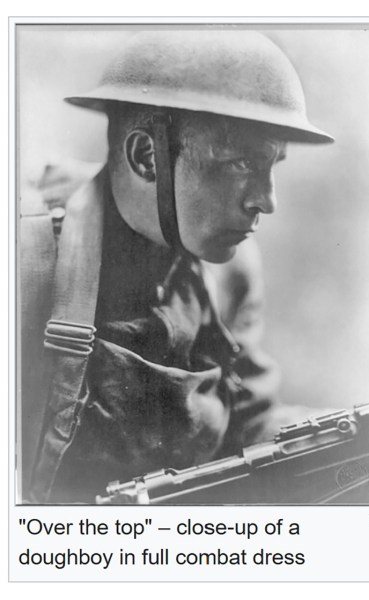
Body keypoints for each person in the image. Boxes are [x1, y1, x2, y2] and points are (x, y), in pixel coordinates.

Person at [19, 30, 333, 504]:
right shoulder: (27, 259)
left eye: (273, 165)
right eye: (241, 163)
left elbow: (250, 424)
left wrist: (357, 451)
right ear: (147, 157)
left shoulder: (228, 271)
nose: (267, 200)